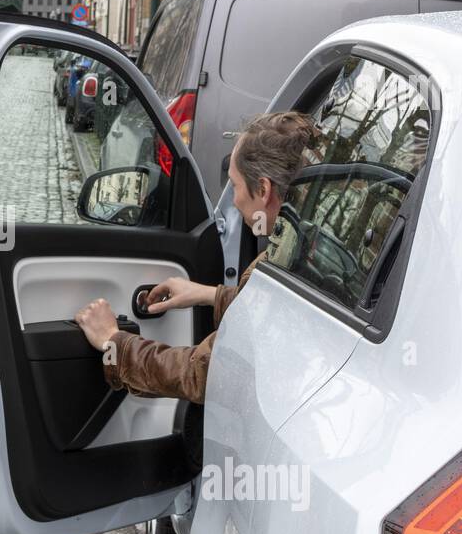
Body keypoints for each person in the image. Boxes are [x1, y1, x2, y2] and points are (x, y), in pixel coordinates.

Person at [73, 111, 319, 403]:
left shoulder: (282, 268)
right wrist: (210, 295)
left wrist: (113, 342)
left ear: (263, 189)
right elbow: (263, 312)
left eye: (235, 186)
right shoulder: (307, 250)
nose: (234, 200)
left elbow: (204, 373)